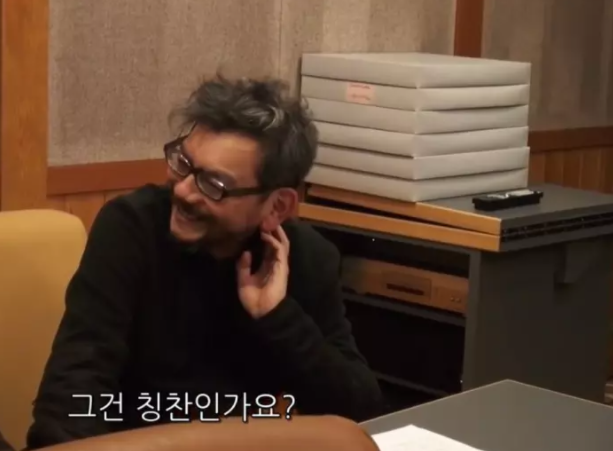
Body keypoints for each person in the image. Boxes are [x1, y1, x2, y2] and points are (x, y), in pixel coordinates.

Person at [26, 74, 382, 449]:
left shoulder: (306, 257)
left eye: (213, 185)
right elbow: (75, 389)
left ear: (277, 206)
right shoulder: (131, 228)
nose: (183, 190)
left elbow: (359, 411)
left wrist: (279, 318)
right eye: (183, 163)